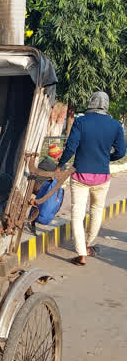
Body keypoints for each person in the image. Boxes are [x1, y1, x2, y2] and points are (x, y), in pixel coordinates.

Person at [57, 91, 126, 266]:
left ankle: (81, 254)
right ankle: (88, 245)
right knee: (96, 211)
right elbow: (121, 152)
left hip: (80, 175)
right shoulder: (116, 126)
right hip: (102, 176)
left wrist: (61, 164)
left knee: (77, 213)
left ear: (91, 102)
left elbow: (71, 147)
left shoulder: (81, 122)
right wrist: (105, 158)